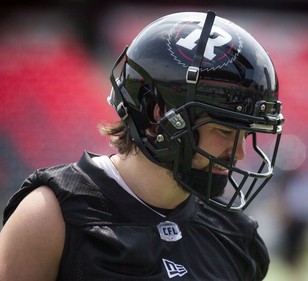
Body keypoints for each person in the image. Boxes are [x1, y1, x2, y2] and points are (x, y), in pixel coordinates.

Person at [0, 10, 284, 281]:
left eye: (244, 135)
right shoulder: (51, 217)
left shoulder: (235, 235)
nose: (239, 154)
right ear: (159, 115)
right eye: (224, 130)